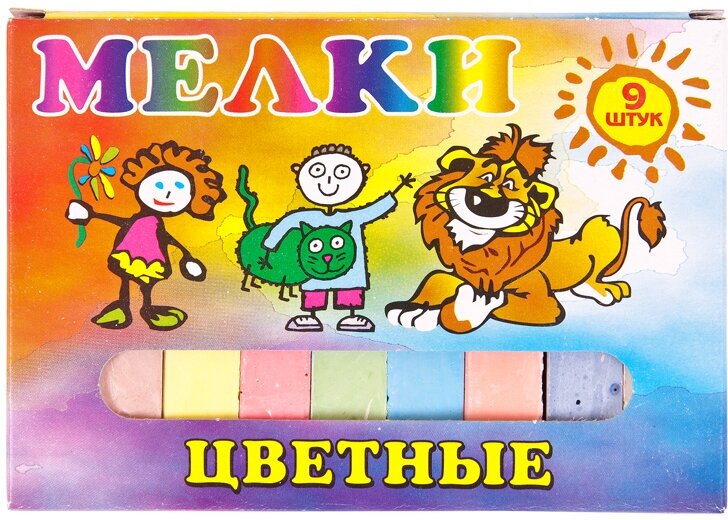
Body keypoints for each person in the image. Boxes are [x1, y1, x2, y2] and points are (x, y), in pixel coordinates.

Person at [65, 141, 226, 330]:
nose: (167, 193)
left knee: (146, 285)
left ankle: (147, 309)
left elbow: (168, 239)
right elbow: (121, 222)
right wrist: (92, 215)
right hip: (128, 254)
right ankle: (123, 307)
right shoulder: (137, 221)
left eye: (178, 187)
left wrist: (187, 257)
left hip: (152, 260)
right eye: (159, 184)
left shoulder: (157, 225)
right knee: (125, 279)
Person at [261, 143, 414, 332]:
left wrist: (397, 191)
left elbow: (374, 210)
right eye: (317, 171)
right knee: (314, 289)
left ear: (363, 172)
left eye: (342, 172)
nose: (328, 181)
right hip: (313, 268)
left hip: (350, 271)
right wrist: (269, 244)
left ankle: (352, 315)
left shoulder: (353, 217)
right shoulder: (306, 217)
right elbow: (285, 223)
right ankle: (311, 316)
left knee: (349, 290)